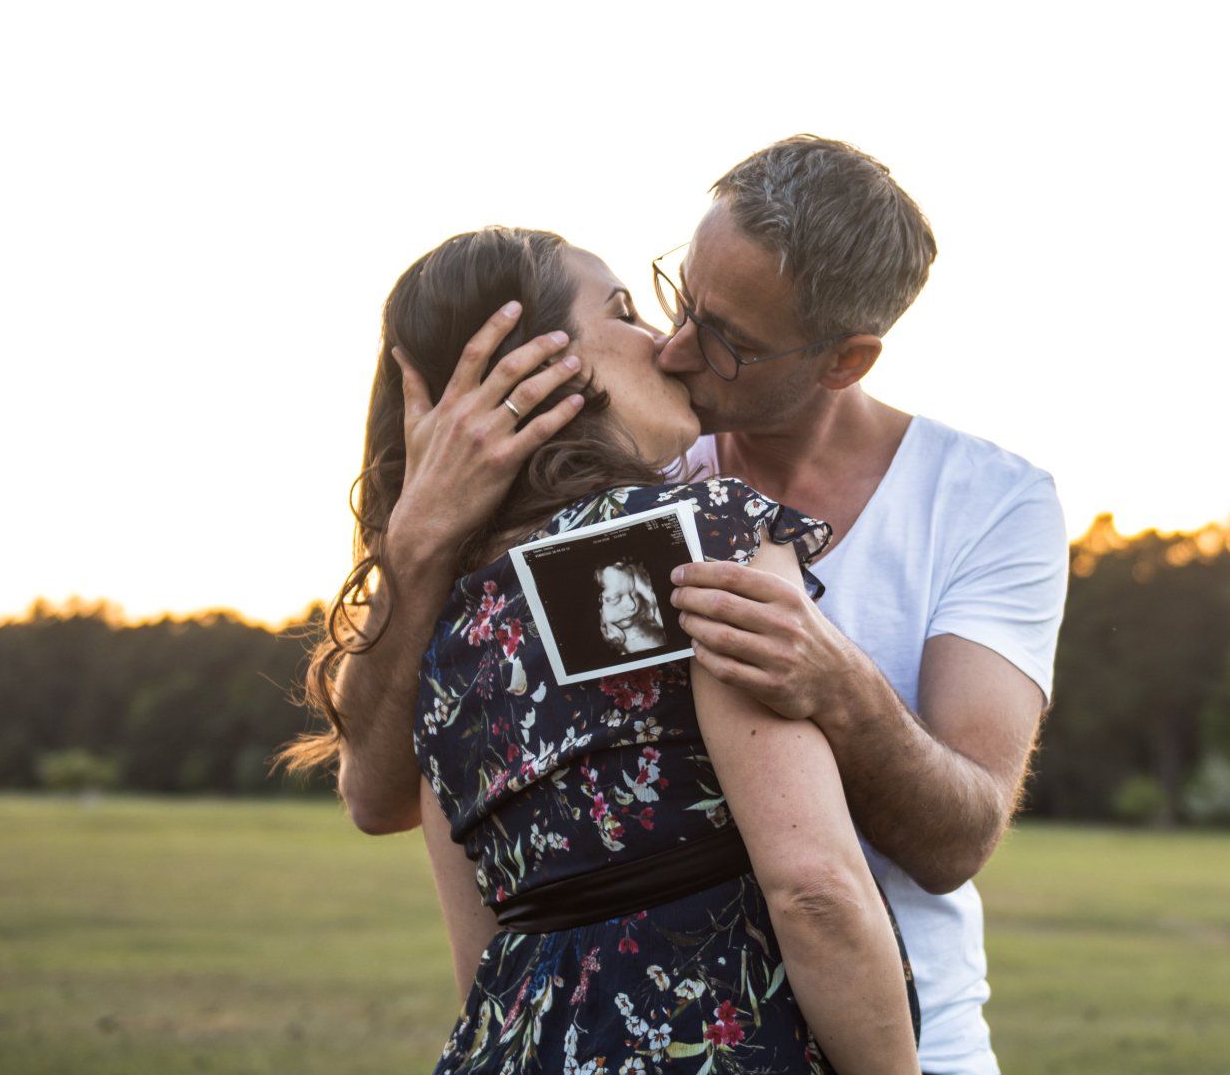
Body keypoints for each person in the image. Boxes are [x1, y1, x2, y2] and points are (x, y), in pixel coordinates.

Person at [326, 136, 1069, 1075]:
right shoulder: (660, 513)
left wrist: (843, 688)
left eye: (727, 341)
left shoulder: (987, 502)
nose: (674, 347)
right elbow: (402, 806)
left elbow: (956, 838)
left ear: (845, 361)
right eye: (669, 298)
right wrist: (416, 546)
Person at [280, 227, 920, 1074]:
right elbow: (816, 890)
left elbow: (484, 957)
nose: (663, 340)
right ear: (543, 368)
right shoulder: (699, 535)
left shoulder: (441, 635)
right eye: (622, 311)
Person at [595, 560, 667, 654]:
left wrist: (649, 594)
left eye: (635, 594)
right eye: (615, 598)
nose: (632, 605)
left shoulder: (650, 622)